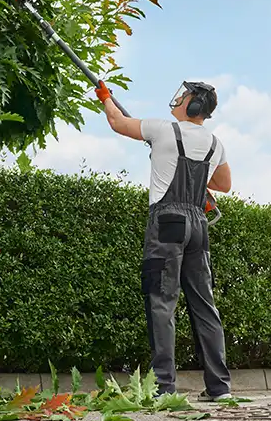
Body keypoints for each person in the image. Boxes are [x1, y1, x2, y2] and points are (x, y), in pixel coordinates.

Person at [95, 80, 233, 401]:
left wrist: (105, 96)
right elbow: (224, 184)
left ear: (194, 105)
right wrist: (200, 174)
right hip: (198, 225)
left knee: (161, 301)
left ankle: (164, 388)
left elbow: (118, 122)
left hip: (168, 222)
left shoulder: (162, 130)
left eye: (184, 96)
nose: (179, 98)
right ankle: (219, 388)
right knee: (204, 305)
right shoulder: (215, 144)